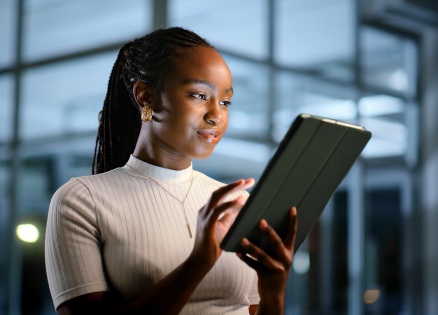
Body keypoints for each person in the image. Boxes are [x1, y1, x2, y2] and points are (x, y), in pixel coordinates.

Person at [45, 27, 297, 315]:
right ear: (146, 97)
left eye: (225, 101)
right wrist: (199, 262)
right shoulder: (82, 200)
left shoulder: (232, 202)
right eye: (200, 95)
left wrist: (274, 294)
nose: (216, 115)